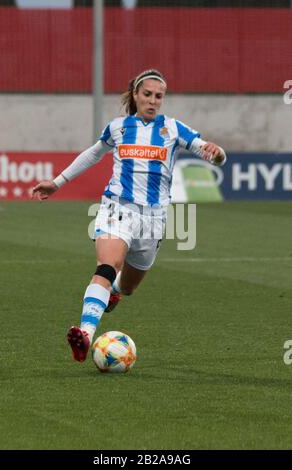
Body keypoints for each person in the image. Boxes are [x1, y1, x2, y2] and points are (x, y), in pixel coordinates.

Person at [32, 69, 226, 363]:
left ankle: (114, 292)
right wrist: (57, 183)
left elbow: (208, 151)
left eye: (158, 96)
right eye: (146, 94)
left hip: (154, 218)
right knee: (108, 265)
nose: (152, 101)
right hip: (117, 207)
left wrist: (217, 152)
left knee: (130, 285)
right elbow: (94, 153)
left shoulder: (173, 129)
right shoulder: (119, 127)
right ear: (135, 95)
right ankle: (85, 334)